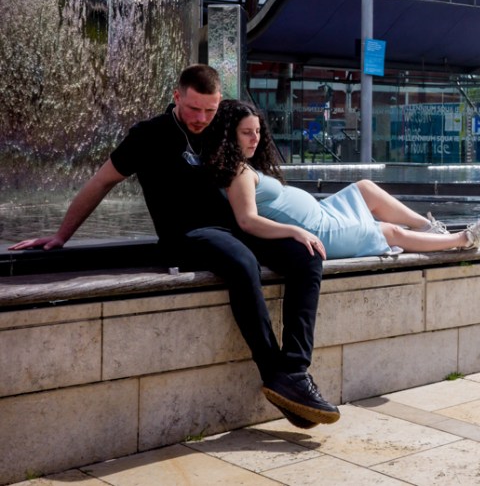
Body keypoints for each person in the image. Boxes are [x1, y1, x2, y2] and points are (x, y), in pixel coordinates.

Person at [9, 65, 338, 429]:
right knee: (242, 261)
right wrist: (61, 236)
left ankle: (294, 370)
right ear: (176, 96)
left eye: (210, 110)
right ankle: (273, 371)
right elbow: (101, 182)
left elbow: (252, 162)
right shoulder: (148, 135)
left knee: (306, 256)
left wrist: (294, 226)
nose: (201, 118)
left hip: (233, 230)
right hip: (187, 237)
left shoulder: (219, 128)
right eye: (194, 109)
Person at [206, 100, 480, 255]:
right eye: (246, 133)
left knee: (365, 187)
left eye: (258, 131)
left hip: (322, 213)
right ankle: (462, 240)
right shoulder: (239, 174)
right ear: (229, 135)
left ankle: (429, 229)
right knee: (387, 231)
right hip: (319, 231)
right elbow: (248, 221)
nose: (255, 138)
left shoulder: (246, 166)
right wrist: (294, 232)